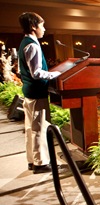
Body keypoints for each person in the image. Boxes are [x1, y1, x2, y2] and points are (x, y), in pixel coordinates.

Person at [18, 12, 61, 173]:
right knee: (39, 128)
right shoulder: (33, 45)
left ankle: (32, 160)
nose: (44, 29)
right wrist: (56, 74)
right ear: (33, 27)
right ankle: (41, 163)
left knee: (30, 128)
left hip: (30, 93)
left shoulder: (25, 43)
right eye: (42, 25)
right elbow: (36, 73)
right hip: (37, 94)